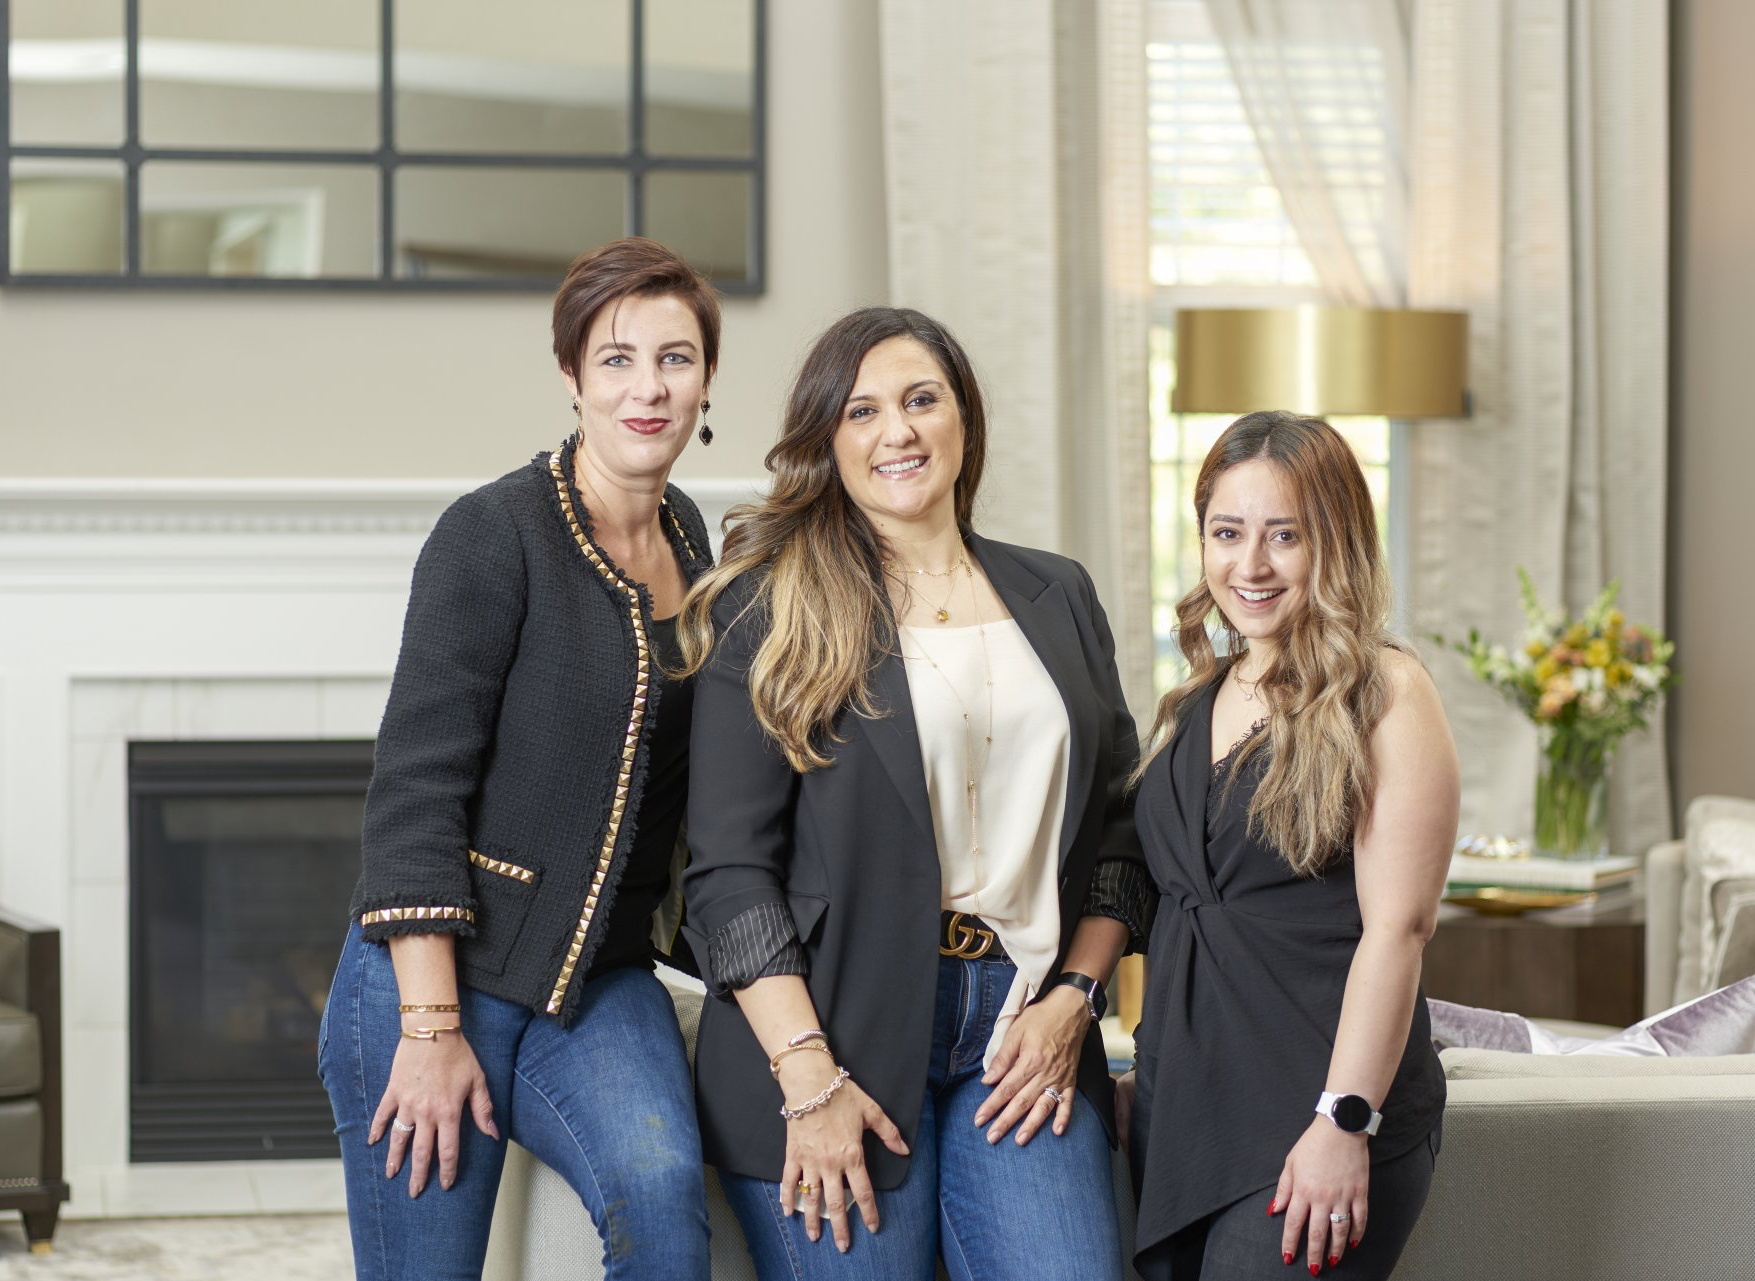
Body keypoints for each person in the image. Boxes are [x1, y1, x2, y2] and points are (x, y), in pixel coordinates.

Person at [676, 306, 1151, 1280]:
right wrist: (808, 1080)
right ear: (828, 440)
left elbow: (1120, 829)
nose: (897, 430)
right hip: (829, 1032)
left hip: (1023, 1028)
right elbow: (728, 877)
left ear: (963, 417)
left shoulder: (1058, 593)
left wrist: (1076, 996)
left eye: (921, 400)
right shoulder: (768, 605)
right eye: (862, 411)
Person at [317, 237, 721, 1281]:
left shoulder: (692, 539)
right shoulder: (492, 532)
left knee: (663, 1199)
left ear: (707, 379)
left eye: (674, 359)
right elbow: (414, 793)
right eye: (617, 359)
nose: (647, 388)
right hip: (435, 977)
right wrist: (430, 1029)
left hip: (599, 981)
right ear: (572, 376)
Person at [1120, 410, 1459, 1279]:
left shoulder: (1385, 689)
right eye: (1226, 532)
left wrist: (1343, 1120)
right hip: (1186, 1112)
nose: (1250, 564)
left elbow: (1399, 929)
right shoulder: (1197, 695)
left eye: (1284, 535)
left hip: (1321, 1111)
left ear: (1334, 542)